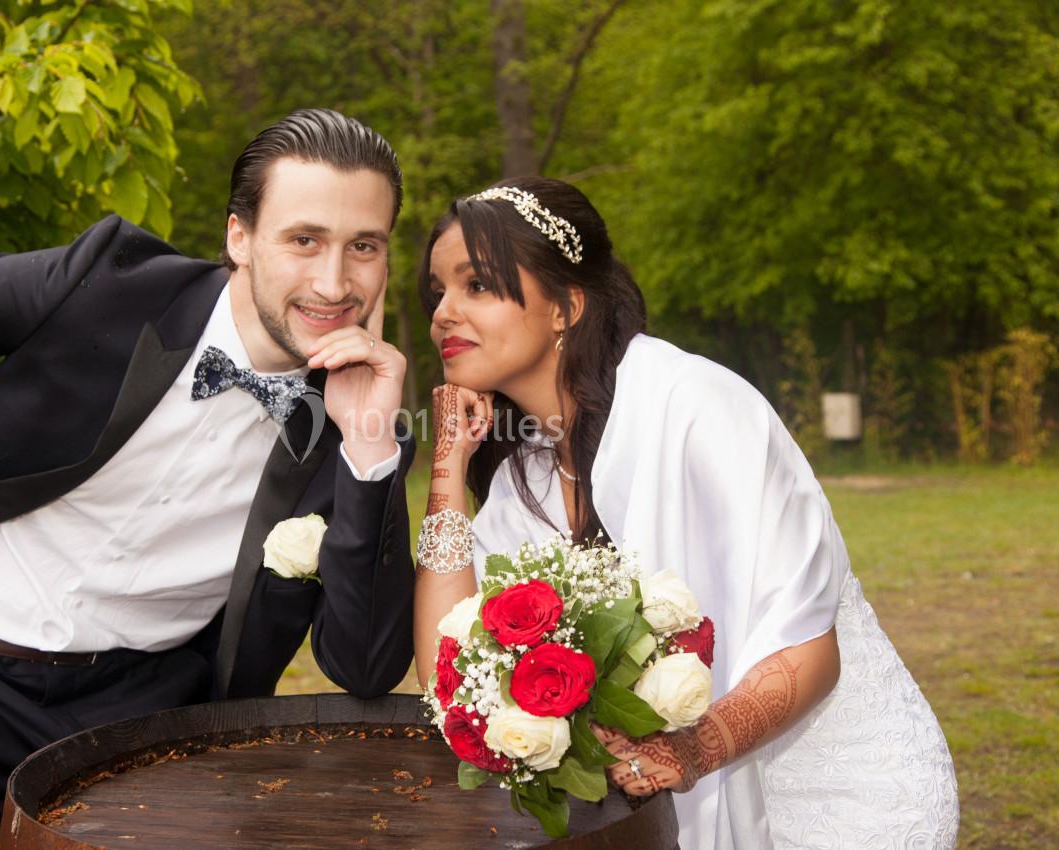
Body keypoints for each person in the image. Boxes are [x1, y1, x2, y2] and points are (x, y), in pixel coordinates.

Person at [0, 108, 417, 850]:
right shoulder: (105, 284)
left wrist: (369, 451)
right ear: (239, 237)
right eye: (304, 239)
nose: (334, 281)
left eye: (363, 246)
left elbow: (365, 667)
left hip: (141, 722)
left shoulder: (361, 426)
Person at [411, 177, 958, 849]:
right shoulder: (526, 472)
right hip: (667, 806)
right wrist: (447, 471)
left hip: (842, 796)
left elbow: (811, 648)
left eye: (476, 285)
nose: (443, 312)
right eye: (437, 291)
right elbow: (453, 677)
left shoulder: (698, 406)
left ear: (566, 305)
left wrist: (690, 751)